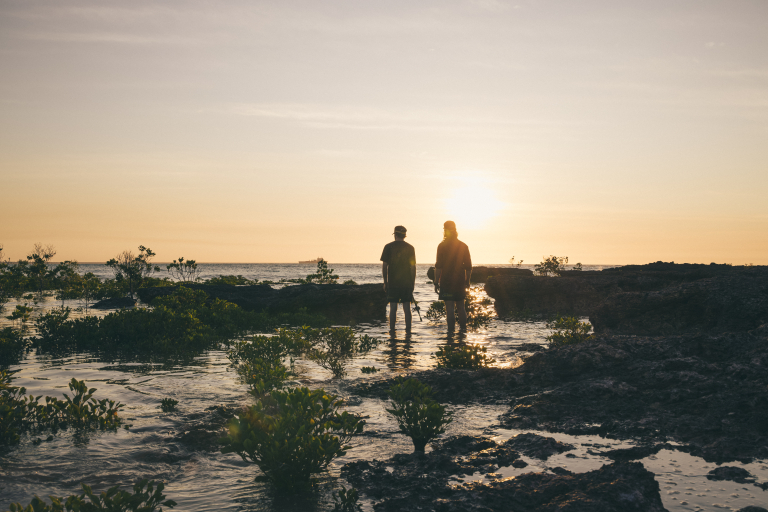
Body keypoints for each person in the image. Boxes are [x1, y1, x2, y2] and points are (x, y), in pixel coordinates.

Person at [434, 220, 472, 331]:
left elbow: (438, 266)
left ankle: (450, 333)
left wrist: (436, 282)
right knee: (461, 307)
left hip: (446, 281)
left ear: (445, 231)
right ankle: (463, 332)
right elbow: (469, 267)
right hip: (459, 281)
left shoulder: (441, 246)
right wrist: (467, 281)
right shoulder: (463, 246)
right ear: (455, 230)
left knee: (449, 308)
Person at [381, 225, 416, 331]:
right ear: (404, 235)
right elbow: (413, 267)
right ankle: (408, 331)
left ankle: (392, 331)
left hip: (393, 283)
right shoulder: (410, 248)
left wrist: (385, 282)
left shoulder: (388, 247)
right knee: (407, 308)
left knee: (393, 308)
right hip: (406, 283)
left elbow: (384, 266)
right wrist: (412, 283)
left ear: (395, 235)